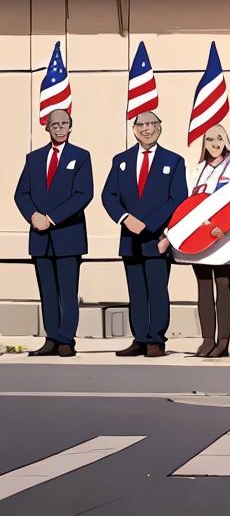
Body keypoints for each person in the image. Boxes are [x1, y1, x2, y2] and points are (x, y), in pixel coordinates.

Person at [101, 111, 187, 357]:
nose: (147, 129)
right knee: (136, 290)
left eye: (152, 124)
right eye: (142, 125)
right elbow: (109, 195)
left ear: (160, 127)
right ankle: (139, 338)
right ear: (134, 128)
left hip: (157, 238)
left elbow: (178, 199)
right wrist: (126, 219)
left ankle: (156, 340)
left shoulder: (174, 161)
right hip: (129, 238)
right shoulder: (121, 160)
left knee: (157, 289)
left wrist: (148, 224)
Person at [14, 109, 93, 358]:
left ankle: (66, 340)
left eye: (64, 124)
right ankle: (51, 337)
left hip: (67, 235)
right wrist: (34, 216)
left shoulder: (80, 157)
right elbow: (21, 194)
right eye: (55, 124)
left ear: (71, 126)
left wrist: (51, 218)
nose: (60, 128)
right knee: (47, 291)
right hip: (40, 237)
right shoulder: (34, 158)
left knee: (68, 291)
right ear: (46, 127)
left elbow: (83, 194)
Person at [175, 124, 230, 358]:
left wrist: (224, 224)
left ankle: (224, 342)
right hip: (199, 235)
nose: (215, 143)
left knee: (222, 283)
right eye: (210, 139)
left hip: (225, 236)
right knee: (203, 285)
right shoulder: (198, 169)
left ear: (226, 141)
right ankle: (207, 340)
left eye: (219, 138)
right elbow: (188, 203)